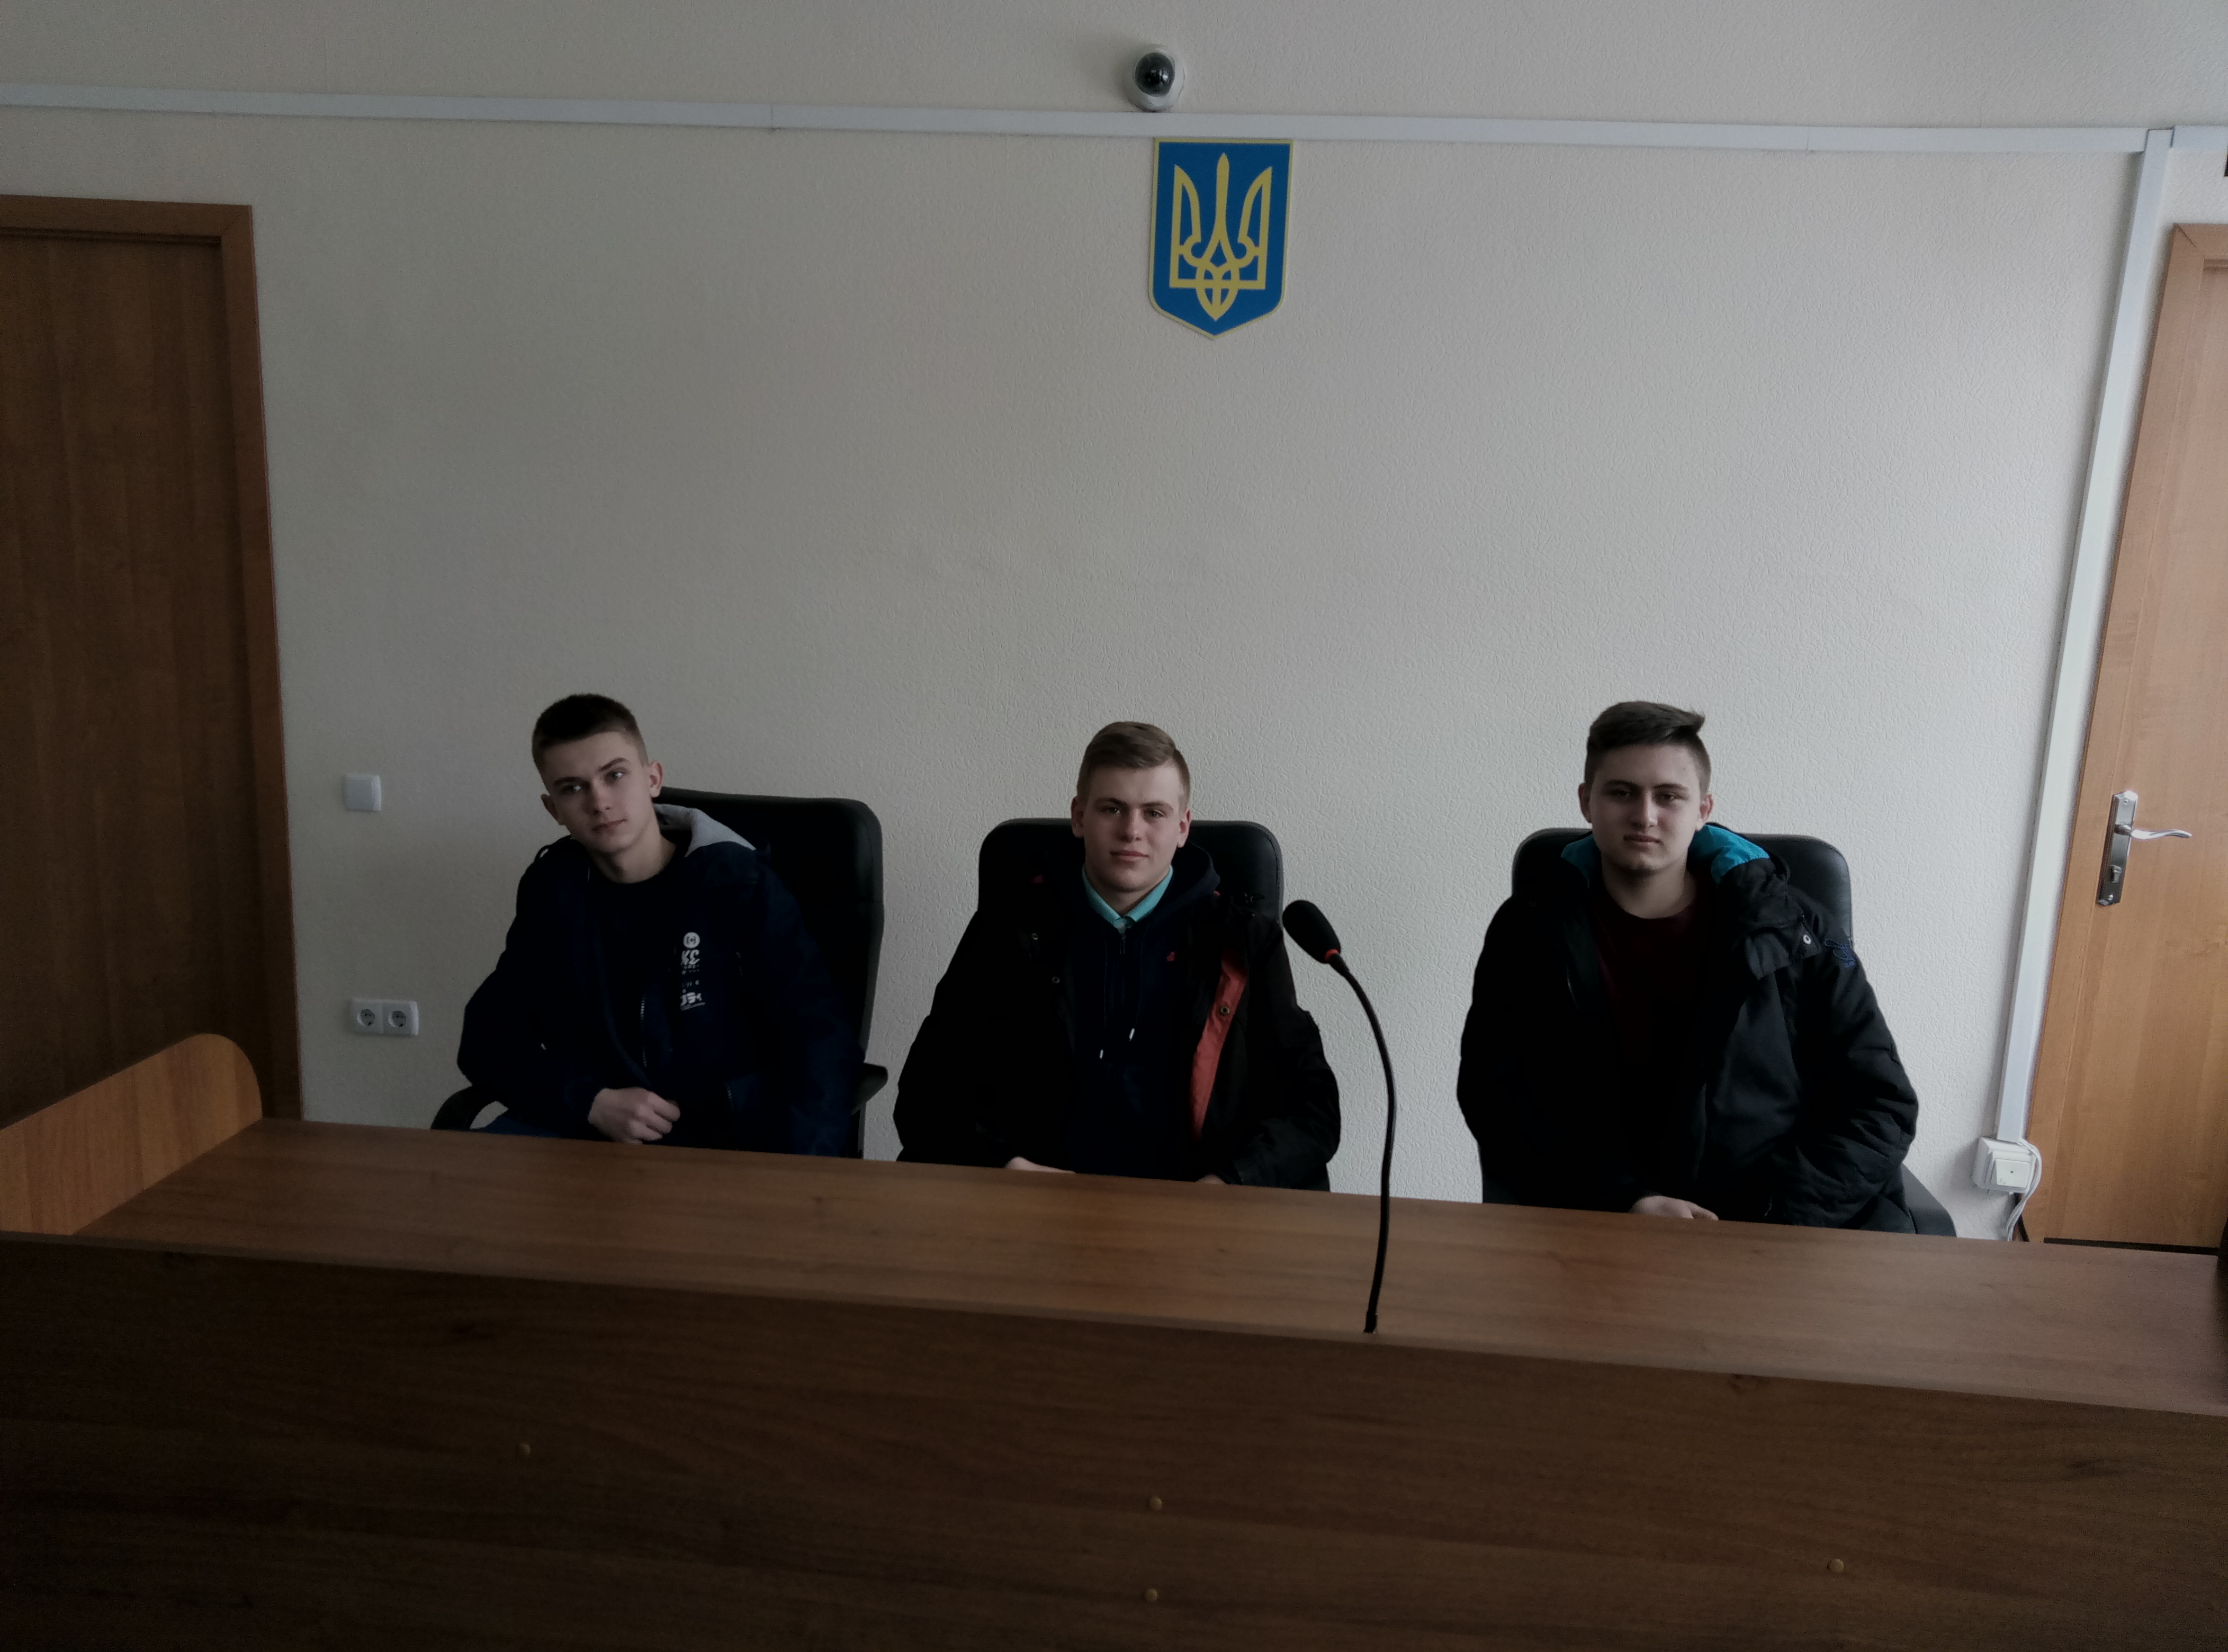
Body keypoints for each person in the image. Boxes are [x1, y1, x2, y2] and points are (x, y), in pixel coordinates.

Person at [1457, 701, 1920, 1229]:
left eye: (1668, 796)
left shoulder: (1794, 927)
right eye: (1621, 792)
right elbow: (1499, 1097)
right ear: (1586, 802)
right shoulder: (1529, 929)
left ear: (1703, 809)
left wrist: (1769, 1214)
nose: (1644, 816)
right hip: (1603, 1219)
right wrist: (1624, 1200)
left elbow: (1878, 1102)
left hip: (1778, 1223)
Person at [895, 721, 1340, 1187]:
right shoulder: (1006, 931)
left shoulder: (1245, 941)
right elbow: (927, 1095)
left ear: (1183, 827)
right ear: (1079, 817)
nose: (1132, 831)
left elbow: (1311, 1110)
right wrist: (1010, 1169)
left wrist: (1228, 1182)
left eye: (1154, 813)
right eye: (1112, 809)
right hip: (1037, 1198)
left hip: (1196, 1202)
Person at [458, 694, 859, 1152]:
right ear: (554, 810)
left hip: (722, 1137)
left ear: (653, 779)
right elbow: (487, 1037)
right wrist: (589, 1101)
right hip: (590, 1130)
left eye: (615, 775)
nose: (599, 801)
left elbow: (819, 1039)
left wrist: (796, 1174)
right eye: (573, 788)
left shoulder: (738, 884)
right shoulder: (554, 890)